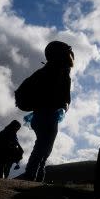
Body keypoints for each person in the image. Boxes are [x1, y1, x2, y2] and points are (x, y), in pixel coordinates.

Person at [16, 41, 73, 182]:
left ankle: (36, 177)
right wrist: (62, 105)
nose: (71, 56)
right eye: (68, 53)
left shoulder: (48, 71)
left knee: (44, 147)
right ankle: (31, 176)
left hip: (42, 115)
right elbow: (63, 97)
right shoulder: (58, 72)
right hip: (46, 115)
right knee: (43, 147)